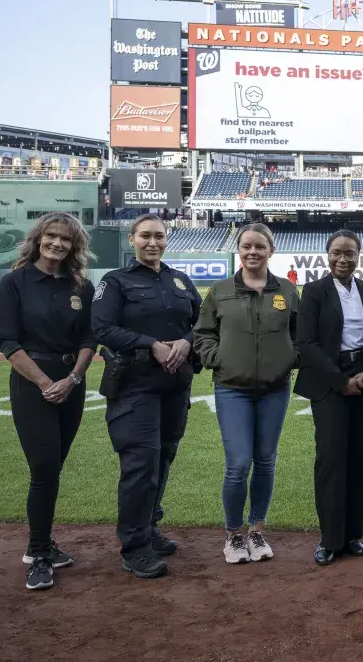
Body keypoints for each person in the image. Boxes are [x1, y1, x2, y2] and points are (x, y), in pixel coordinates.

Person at [0, 212, 96, 591]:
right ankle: (38, 552)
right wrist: (47, 382)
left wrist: (73, 378)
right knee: (45, 467)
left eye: (66, 239)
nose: (58, 244)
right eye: (51, 236)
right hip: (34, 385)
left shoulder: (81, 285)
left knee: (54, 467)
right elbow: (7, 342)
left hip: (71, 383)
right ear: (38, 237)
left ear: (74, 246)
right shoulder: (15, 282)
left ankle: (44, 543)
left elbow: (89, 340)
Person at [92, 214, 202, 580]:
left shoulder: (179, 280)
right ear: (132, 239)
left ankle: (149, 528)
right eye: (145, 236)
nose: (152, 242)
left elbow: (202, 325)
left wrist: (187, 343)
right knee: (140, 466)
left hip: (175, 388)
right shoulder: (115, 282)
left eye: (159, 236)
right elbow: (101, 327)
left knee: (163, 459)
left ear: (167, 240)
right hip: (135, 387)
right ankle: (135, 546)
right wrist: (150, 345)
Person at [193, 223, 299, 564]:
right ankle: (234, 534)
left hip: (274, 390)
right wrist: (219, 360)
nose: (253, 252)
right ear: (239, 250)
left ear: (271, 250)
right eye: (246, 246)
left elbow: (301, 336)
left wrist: (289, 360)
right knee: (238, 463)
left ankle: (256, 530)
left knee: (266, 461)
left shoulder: (287, 290)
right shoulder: (220, 291)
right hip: (232, 389)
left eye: (259, 246)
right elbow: (203, 334)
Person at [296, 230, 363, 565]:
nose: (342, 259)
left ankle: (352, 536)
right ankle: (330, 539)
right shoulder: (313, 291)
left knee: (359, 460)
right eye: (337, 252)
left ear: (358, 255)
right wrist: (341, 381)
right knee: (332, 461)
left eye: (349, 253)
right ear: (327, 254)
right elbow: (306, 344)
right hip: (329, 383)